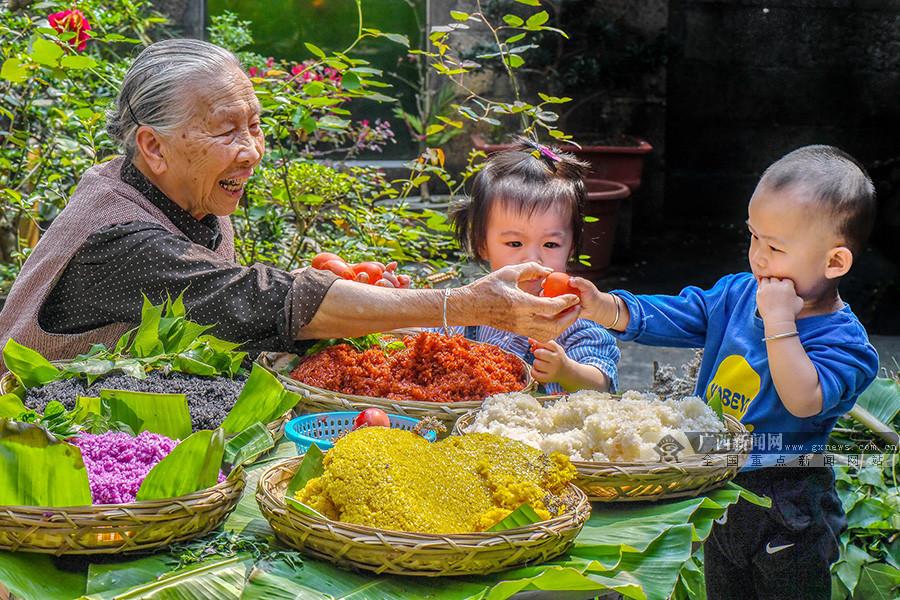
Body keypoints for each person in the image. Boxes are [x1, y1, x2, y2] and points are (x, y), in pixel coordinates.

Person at [0, 39, 581, 373]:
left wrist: (390, 312)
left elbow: (228, 298)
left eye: (254, 126)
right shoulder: (122, 236)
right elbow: (262, 299)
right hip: (62, 459)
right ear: (152, 146)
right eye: (226, 130)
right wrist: (463, 304)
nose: (251, 151)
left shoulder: (183, 189)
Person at [571, 145, 880, 599]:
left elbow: (803, 398)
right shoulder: (738, 293)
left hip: (788, 499)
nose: (757, 256)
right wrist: (609, 308)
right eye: (754, 236)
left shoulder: (844, 343)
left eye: (775, 247)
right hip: (719, 481)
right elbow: (679, 313)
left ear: (835, 262)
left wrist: (779, 321)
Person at [443, 138, 619, 393]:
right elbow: (422, 338)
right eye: (514, 243)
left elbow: (602, 382)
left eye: (550, 245)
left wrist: (566, 371)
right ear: (482, 244)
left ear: (570, 247)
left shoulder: (574, 317)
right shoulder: (468, 307)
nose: (533, 260)